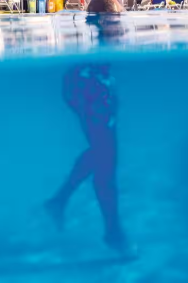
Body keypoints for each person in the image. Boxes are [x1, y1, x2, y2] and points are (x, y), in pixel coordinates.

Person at [45, 63, 135, 258]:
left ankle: (59, 201)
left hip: (90, 78)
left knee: (103, 152)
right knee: (106, 158)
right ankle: (113, 233)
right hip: (89, 80)